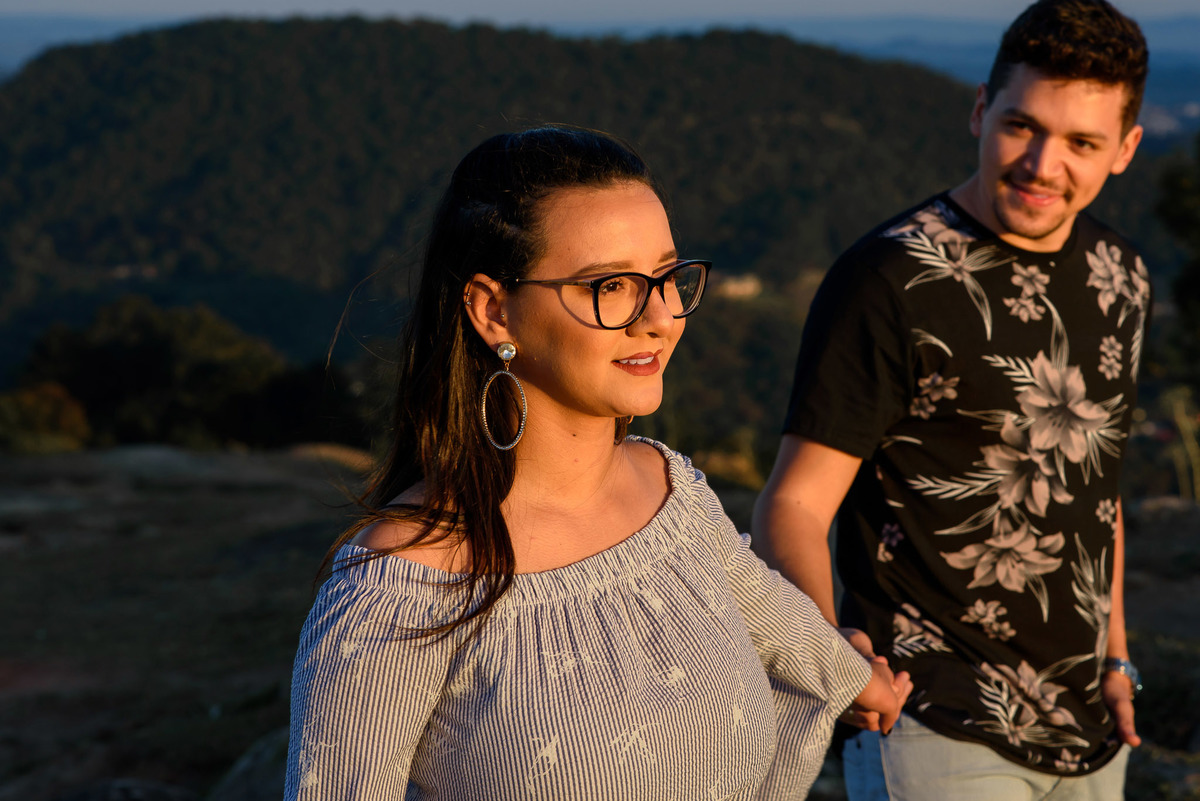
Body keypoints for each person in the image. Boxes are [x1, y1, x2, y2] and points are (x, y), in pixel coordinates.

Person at [284, 126, 909, 800]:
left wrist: (855, 674)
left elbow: (769, 614)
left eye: (667, 277)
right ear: (494, 310)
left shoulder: (670, 493)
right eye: (610, 286)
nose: (661, 316)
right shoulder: (403, 588)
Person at [752, 1, 1149, 798]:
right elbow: (791, 506)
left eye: (1081, 143)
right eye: (1020, 125)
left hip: (1091, 733)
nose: (1042, 162)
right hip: (936, 722)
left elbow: (1093, 490)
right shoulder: (889, 281)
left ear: (1125, 150)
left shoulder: (1120, 277)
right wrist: (838, 656)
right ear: (979, 110)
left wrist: (1116, 655)